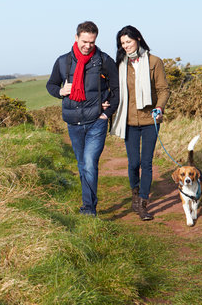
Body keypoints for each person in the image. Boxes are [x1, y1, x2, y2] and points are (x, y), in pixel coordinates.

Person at [46, 21, 119, 216]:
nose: (87, 46)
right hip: (73, 123)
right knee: (82, 165)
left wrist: (106, 113)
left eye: (92, 42)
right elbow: (51, 85)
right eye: (84, 41)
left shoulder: (104, 60)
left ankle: (88, 208)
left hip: (96, 121)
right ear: (76, 37)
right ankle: (89, 201)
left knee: (88, 163)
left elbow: (117, 90)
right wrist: (61, 91)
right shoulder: (63, 62)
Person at [109, 25, 170, 220]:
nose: (126, 46)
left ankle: (143, 203)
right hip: (128, 121)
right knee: (134, 163)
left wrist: (159, 108)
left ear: (138, 39)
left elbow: (163, 90)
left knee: (147, 162)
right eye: (122, 43)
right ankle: (135, 194)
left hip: (150, 120)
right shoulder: (119, 64)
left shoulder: (155, 62)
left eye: (128, 41)